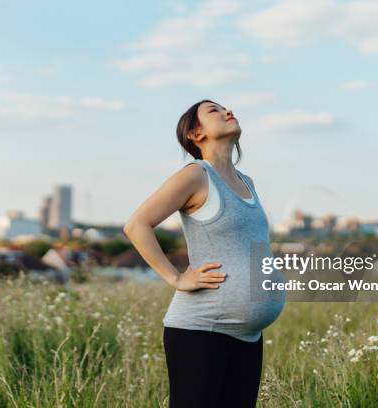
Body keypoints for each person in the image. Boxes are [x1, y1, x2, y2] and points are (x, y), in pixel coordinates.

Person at [123, 99, 286, 407]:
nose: (228, 111)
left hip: (247, 335)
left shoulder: (247, 182)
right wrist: (176, 277)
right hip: (202, 330)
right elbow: (137, 225)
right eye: (214, 111)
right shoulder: (196, 176)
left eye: (226, 108)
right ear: (195, 133)